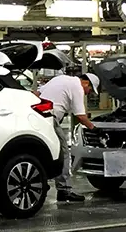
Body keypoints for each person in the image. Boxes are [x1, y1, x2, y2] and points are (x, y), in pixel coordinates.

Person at [36, 72, 100, 203]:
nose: (88, 93)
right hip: (50, 118)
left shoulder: (61, 78)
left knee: (43, 152)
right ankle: (64, 190)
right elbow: (81, 116)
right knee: (63, 152)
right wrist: (94, 129)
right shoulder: (77, 87)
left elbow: (36, 93)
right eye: (90, 90)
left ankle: (40, 182)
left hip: (37, 116)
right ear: (86, 83)